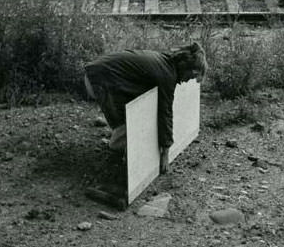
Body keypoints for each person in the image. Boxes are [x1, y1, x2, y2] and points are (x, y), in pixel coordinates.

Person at [83, 42, 207, 174]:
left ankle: (119, 138)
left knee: (139, 116)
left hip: (98, 73)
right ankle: (116, 156)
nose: (188, 80)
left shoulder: (166, 62)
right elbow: (165, 113)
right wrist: (165, 152)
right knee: (127, 135)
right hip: (98, 79)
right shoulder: (167, 75)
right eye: (191, 76)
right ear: (185, 67)